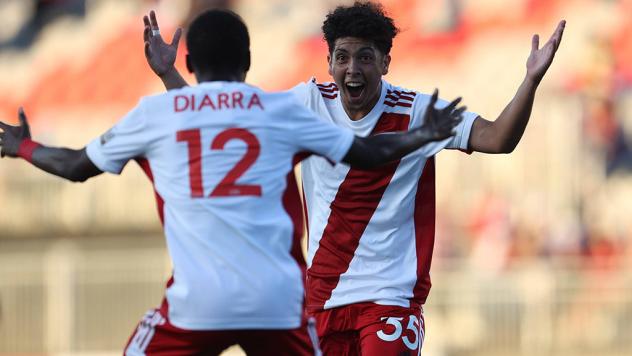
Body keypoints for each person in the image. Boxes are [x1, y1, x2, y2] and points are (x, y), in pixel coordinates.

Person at [0, 8, 465, 356]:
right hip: (280, 304)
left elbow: (76, 165)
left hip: (197, 302)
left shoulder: (158, 115)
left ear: (191, 64)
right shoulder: (279, 111)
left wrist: (21, 146)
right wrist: (423, 133)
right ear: (247, 60)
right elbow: (365, 152)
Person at [144, 2, 565, 355]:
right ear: (328, 61)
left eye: (365, 56)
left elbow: (496, 138)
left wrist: (530, 80)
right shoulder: (306, 104)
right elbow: (226, 121)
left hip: (390, 299)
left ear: (385, 61)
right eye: (343, 56)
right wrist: (169, 75)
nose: (352, 69)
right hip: (320, 300)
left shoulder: (417, 112)